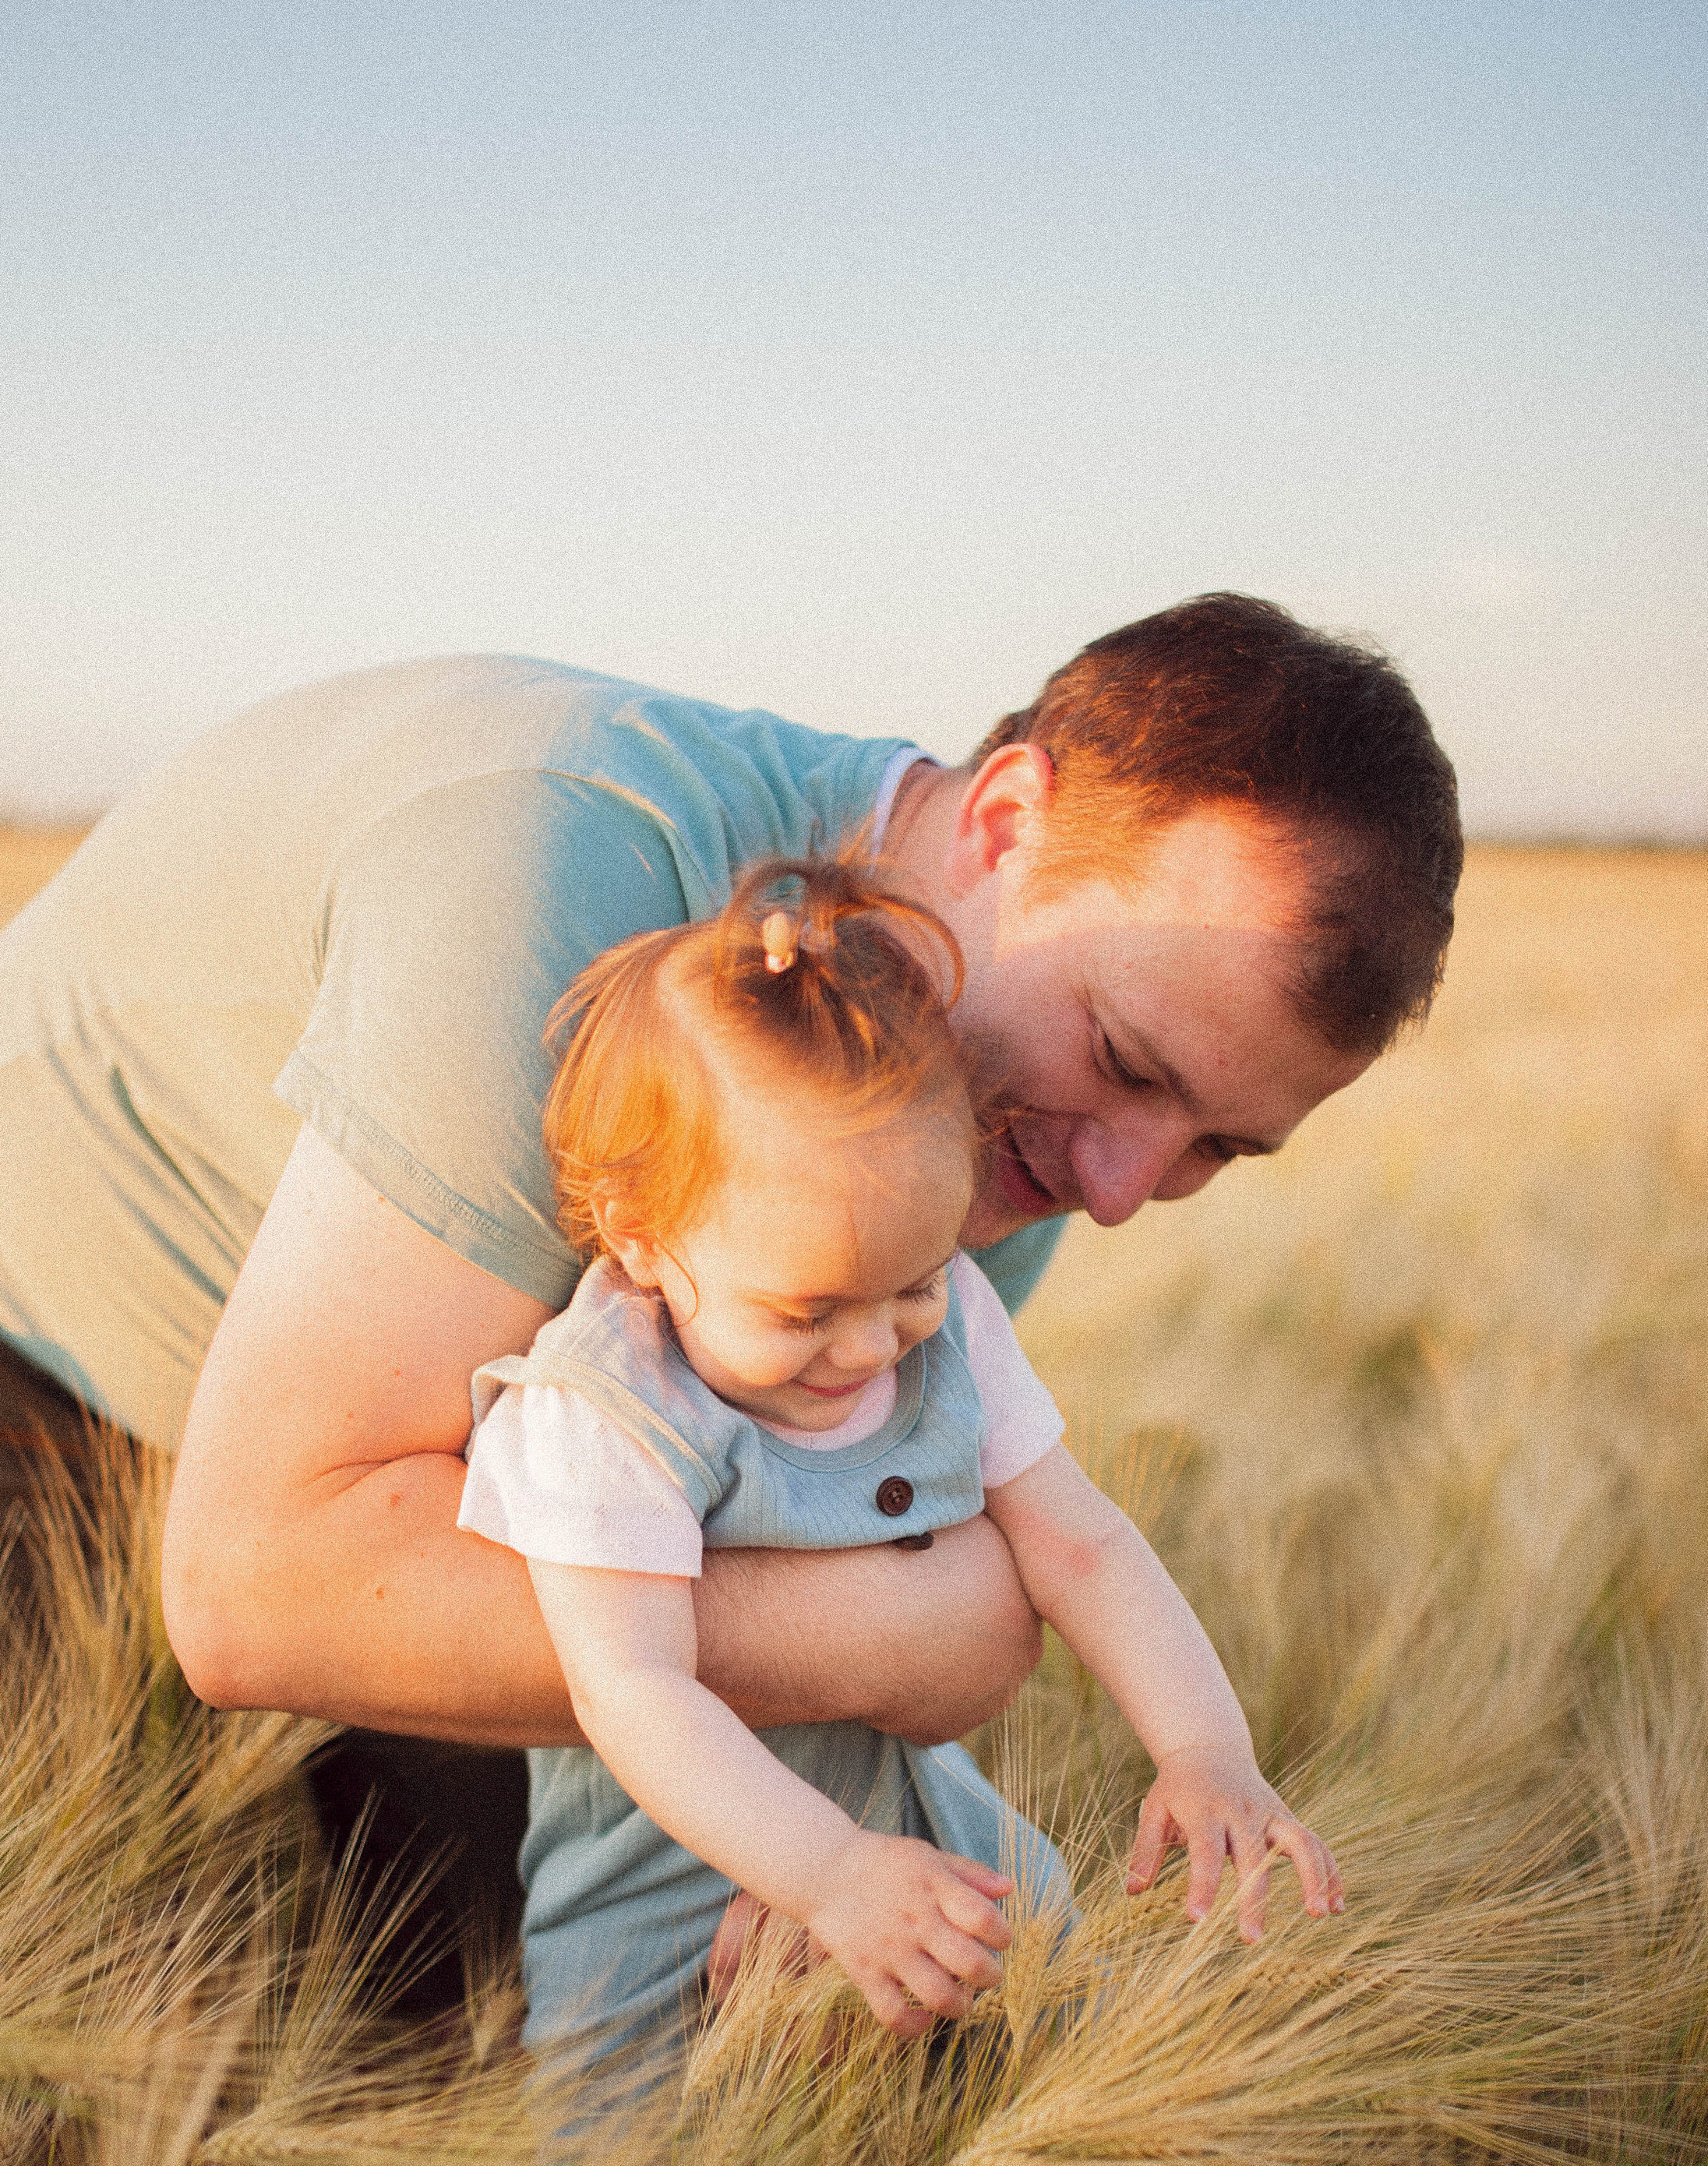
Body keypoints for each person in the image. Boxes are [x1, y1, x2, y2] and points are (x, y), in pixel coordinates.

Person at [0, 596, 1459, 1988]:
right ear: (1004, 823)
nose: (1116, 1191)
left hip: (493, 1477)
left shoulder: (999, 1127)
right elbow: (255, 1583)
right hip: (51, 1350)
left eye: (1212, 1151)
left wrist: (813, 1817)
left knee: (492, 2058)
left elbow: (795, 1505)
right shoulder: (555, 879)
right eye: (1122, 1060)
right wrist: (885, 1647)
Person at [459, 859, 1343, 2074]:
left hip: (935, 1834)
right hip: (661, 1896)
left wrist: (1205, 1750)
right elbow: (634, 1690)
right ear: (642, 1235)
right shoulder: (607, 1407)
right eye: (810, 1308)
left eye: (913, 1285)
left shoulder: (952, 1319)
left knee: (1048, 2067)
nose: (874, 1346)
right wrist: (825, 1877)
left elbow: (1079, 1541)